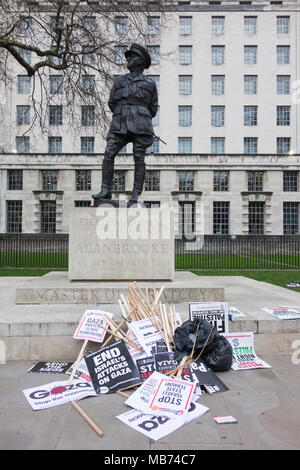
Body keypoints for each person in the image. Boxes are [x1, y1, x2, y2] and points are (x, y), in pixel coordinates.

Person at [92, 43, 158, 205]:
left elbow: (153, 108)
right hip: (120, 123)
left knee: (139, 158)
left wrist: (137, 112)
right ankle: (105, 189)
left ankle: (137, 195)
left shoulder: (150, 83)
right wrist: (124, 111)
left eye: (132, 56)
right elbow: (112, 102)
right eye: (128, 56)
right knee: (109, 153)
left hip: (141, 125)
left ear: (141, 60)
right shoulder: (119, 81)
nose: (128, 59)